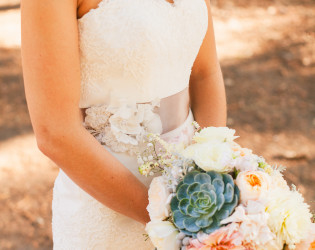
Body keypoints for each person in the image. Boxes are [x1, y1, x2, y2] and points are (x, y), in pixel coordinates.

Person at [20, 0, 227, 248]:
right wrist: (171, 222)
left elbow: (205, 73)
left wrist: (216, 181)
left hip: (196, 195)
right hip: (108, 209)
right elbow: (55, 133)